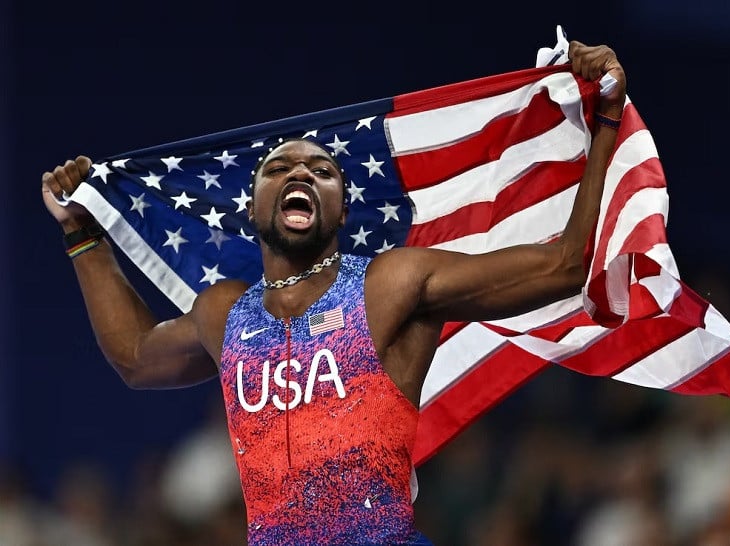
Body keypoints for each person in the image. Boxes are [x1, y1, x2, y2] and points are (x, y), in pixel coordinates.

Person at [41, 40, 626, 546]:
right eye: (279, 169)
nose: (299, 173)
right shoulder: (225, 312)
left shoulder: (389, 284)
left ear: (342, 210)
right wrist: (80, 233)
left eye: (321, 171)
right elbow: (137, 359)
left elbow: (561, 268)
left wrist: (604, 124)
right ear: (252, 210)